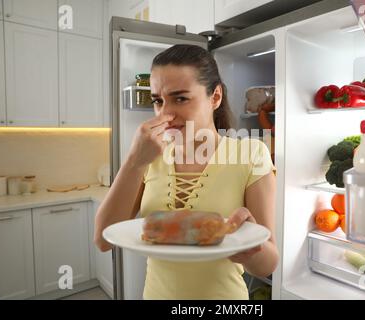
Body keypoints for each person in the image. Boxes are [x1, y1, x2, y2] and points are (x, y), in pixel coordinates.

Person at [94, 44, 278, 300]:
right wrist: (135, 161)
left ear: (215, 97)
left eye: (180, 98)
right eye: (158, 101)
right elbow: (104, 240)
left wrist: (251, 245)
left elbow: (268, 264)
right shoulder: (148, 158)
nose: (165, 114)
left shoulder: (250, 154)